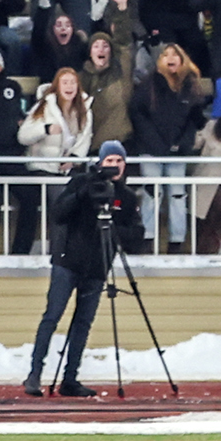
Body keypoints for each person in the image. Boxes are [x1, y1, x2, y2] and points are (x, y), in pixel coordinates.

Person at [27, 141, 142, 397]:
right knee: (52, 316)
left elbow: (136, 236)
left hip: (98, 266)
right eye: (109, 161)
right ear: (100, 162)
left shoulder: (127, 196)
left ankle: (71, 378)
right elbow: (58, 214)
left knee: (83, 323)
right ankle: (34, 374)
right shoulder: (81, 183)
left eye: (119, 161)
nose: (114, 166)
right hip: (68, 262)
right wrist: (83, 193)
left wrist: (113, 228)